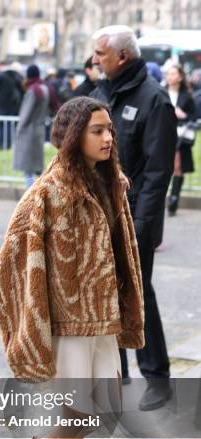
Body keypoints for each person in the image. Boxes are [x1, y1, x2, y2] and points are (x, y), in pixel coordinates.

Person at [0, 96, 144, 439]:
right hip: (68, 321)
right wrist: (38, 313)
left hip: (102, 316)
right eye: (97, 130)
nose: (108, 138)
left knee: (95, 402)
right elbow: (10, 258)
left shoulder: (108, 182)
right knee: (78, 409)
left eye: (109, 129)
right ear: (73, 135)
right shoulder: (49, 191)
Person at [91, 25, 177, 411]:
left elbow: (159, 172)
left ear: (122, 56)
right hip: (98, 216)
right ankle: (115, 374)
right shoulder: (100, 93)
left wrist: (142, 226)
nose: (94, 60)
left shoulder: (154, 100)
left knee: (139, 296)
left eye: (100, 54)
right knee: (105, 294)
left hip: (136, 217)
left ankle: (158, 379)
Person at [165, 65, 196, 216]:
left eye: (173, 73)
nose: (170, 76)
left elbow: (194, 116)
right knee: (163, 166)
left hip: (181, 135)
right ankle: (165, 197)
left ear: (180, 77)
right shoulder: (160, 92)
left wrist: (183, 115)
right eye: (168, 74)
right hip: (162, 133)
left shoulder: (188, 96)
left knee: (178, 166)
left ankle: (174, 199)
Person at [13, 64, 50, 188]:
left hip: (28, 131)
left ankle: (31, 194)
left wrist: (19, 129)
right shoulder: (44, 88)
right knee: (37, 166)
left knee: (28, 168)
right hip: (39, 129)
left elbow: (26, 113)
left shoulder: (32, 90)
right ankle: (38, 193)